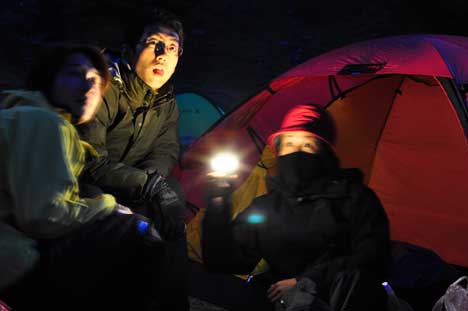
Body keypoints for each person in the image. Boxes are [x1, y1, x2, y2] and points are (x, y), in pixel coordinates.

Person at [0, 44, 166, 311]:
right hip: (10, 259)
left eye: (96, 81)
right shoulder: (44, 123)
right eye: (75, 74)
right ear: (49, 79)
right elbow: (44, 217)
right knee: (139, 231)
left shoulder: (22, 116)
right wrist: (108, 206)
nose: (88, 87)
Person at [202, 104, 391, 310]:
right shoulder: (268, 207)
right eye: (289, 144)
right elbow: (223, 261)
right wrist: (218, 203)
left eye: (308, 145)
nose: (297, 153)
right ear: (279, 152)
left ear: (325, 153)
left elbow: (374, 257)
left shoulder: (355, 198)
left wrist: (306, 282)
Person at [77, 9, 189, 310]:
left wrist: (152, 182)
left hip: (132, 184)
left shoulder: (167, 103)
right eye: (153, 43)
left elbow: (166, 150)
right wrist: (146, 184)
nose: (163, 55)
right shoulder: (104, 87)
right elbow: (89, 160)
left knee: (173, 200)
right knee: (107, 212)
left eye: (173, 47)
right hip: (83, 183)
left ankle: (171, 301)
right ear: (130, 50)